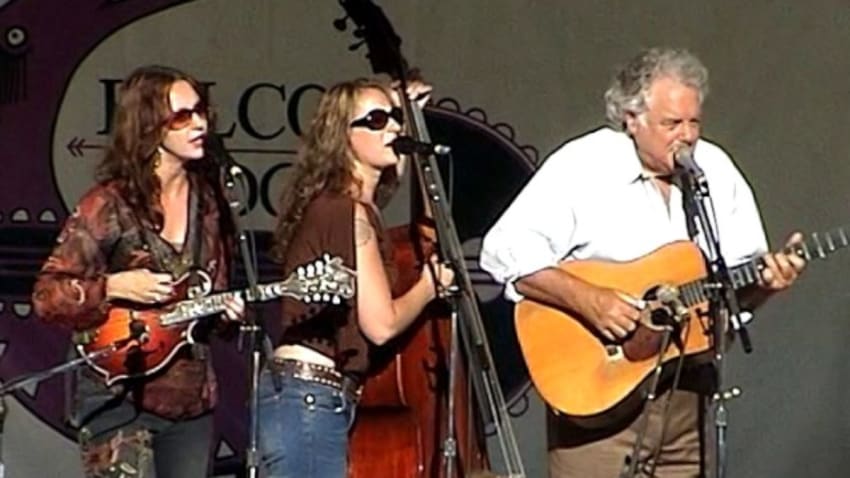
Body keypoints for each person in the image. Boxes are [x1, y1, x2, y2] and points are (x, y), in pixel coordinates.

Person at [480, 47, 806, 477]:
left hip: (688, 401)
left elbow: (728, 289)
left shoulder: (716, 171)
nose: (686, 136)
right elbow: (505, 250)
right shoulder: (585, 165)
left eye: (694, 122)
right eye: (672, 124)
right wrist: (592, 300)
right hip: (600, 402)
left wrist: (765, 283)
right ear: (631, 119)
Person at [32, 65, 244, 477]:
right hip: (118, 395)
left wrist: (226, 314)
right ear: (150, 126)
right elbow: (47, 295)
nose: (199, 123)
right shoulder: (110, 204)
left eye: (201, 111)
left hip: (190, 401)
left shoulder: (211, 203)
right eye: (182, 116)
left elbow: (207, 295)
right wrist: (112, 285)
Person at [258, 77, 454, 478]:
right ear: (341, 136)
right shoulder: (347, 211)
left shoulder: (357, 208)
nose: (393, 128)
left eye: (395, 119)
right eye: (377, 120)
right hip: (308, 398)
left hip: (313, 398)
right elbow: (380, 325)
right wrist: (429, 287)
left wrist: (408, 113)